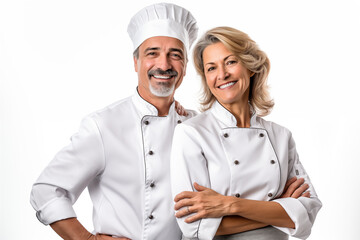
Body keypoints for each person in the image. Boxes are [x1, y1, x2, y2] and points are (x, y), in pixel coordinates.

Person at [30, 3, 198, 240]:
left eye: (175, 55)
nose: (164, 65)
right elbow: (46, 191)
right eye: (152, 53)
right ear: (135, 62)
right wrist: (86, 239)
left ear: (185, 67)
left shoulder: (197, 125)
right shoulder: (103, 125)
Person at [171, 26, 322, 240]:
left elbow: (308, 211)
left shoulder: (281, 136)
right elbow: (192, 224)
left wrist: (229, 205)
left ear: (250, 66)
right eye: (211, 68)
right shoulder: (191, 133)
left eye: (231, 62)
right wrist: (280, 210)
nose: (222, 75)